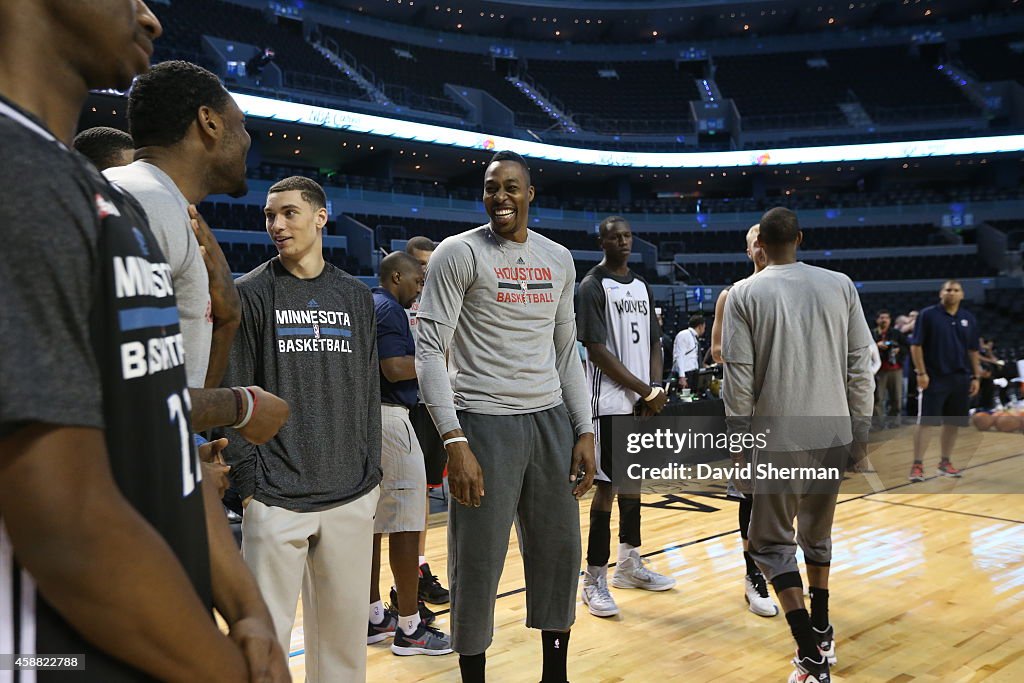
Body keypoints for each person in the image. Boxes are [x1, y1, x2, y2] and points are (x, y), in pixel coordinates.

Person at [0, 2, 288, 682]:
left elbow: (167, 433)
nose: (151, 17)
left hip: (147, 633)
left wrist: (246, 606)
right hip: (43, 654)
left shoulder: (89, 192)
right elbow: (65, 522)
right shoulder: (16, 178)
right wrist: (221, 667)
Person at [415, 150, 595, 683]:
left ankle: (554, 675)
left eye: (511, 187)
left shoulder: (559, 258)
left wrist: (584, 429)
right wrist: (453, 439)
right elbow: (429, 351)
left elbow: (567, 351)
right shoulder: (459, 253)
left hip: (550, 420)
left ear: (530, 193)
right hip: (483, 421)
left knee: (561, 555)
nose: (501, 197)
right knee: (476, 563)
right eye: (492, 188)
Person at [218, 176, 383, 682]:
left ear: (320, 217)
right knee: (263, 652)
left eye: (288, 213)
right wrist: (251, 486)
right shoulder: (251, 294)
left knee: (343, 655)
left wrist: (369, 471)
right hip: (274, 497)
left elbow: (366, 392)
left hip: (350, 493)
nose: (276, 225)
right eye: (269, 215)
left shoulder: (356, 296)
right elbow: (235, 396)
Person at [723, 207, 874, 683]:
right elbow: (860, 367)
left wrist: (739, 442)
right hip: (831, 435)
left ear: (760, 246)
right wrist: (860, 433)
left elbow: (739, 380)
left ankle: (810, 653)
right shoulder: (841, 284)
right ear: (800, 239)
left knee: (769, 544)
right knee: (817, 535)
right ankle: (824, 626)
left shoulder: (745, 294)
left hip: (779, 439)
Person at [105, 60, 289, 436]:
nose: (248, 139)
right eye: (242, 124)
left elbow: (175, 384)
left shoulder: (165, 203)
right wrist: (241, 405)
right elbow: (114, 394)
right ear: (209, 122)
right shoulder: (142, 200)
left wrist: (228, 319)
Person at [575, 215, 675, 619]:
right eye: (614, 236)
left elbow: (653, 339)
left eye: (628, 235)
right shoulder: (591, 286)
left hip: (639, 400)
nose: (623, 242)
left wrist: (654, 389)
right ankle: (593, 578)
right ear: (601, 241)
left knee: (632, 484)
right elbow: (596, 349)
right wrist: (643, 390)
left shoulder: (641, 285)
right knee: (608, 487)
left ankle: (629, 564)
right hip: (609, 403)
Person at [369, 251, 452, 655]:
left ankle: (372, 617)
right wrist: (436, 362)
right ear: (396, 276)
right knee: (403, 526)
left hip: (370, 419)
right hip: (390, 418)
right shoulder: (388, 310)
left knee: (373, 526)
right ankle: (409, 627)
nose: (420, 288)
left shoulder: (372, 304)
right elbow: (394, 367)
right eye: (417, 280)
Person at [709, 223, 778, 619]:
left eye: (766, 242)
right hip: (747, 409)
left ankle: (778, 565)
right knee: (749, 494)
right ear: (748, 249)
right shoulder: (731, 295)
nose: (761, 248)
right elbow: (718, 351)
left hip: (786, 406)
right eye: (755, 243)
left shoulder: (792, 293)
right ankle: (754, 576)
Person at [404, 235, 450, 606]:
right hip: (403, 408)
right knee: (400, 497)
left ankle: (417, 567)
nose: (425, 270)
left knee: (421, 493)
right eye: (420, 263)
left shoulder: (444, 298)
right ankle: (400, 579)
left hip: (434, 405)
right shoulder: (393, 304)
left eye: (429, 264)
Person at [908, 280, 981, 482]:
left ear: (962, 295)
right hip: (934, 378)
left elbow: (973, 350)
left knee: (953, 422)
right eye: (948, 290)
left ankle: (945, 463)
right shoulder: (928, 315)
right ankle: (917, 465)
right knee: (926, 422)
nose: (952, 293)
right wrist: (921, 373)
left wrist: (975, 376)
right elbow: (916, 346)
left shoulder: (968, 318)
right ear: (941, 293)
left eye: (956, 290)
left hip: (960, 378)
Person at [872, 309, 908, 428]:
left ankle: (894, 422)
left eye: (886, 318)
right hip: (878, 370)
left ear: (890, 320)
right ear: (877, 320)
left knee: (897, 398)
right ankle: (878, 423)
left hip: (895, 369)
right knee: (878, 398)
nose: (884, 320)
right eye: (881, 318)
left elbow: (907, 347)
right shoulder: (872, 334)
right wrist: (876, 346)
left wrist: (899, 350)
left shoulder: (896, 333)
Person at [673, 313, 706, 384]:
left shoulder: (694, 337)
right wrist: (682, 376)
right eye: (704, 327)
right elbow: (679, 356)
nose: (704, 330)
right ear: (700, 326)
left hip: (694, 373)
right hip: (685, 373)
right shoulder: (684, 335)